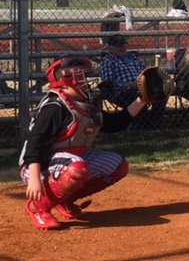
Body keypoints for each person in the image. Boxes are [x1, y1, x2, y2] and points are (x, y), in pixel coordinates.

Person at [19, 54, 150, 230]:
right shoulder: (54, 106)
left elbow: (115, 124)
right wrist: (34, 179)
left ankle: (63, 199)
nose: (87, 83)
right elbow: (36, 144)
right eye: (83, 78)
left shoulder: (84, 105)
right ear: (67, 79)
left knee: (118, 166)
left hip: (68, 164)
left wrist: (142, 100)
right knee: (77, 168)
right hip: (36, 165)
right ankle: (38, 207)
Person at [99, 34, 166, 130]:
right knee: (138, 93)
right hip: (122, 92)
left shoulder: (133, 58)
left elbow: (146, 73)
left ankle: (153, 126)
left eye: (123, 44)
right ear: (110, 47)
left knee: (162, 92)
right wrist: (133, 85)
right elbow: (109, 83)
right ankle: (142, 128)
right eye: (118, 45)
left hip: (142, 87)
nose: (122, 47)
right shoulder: (108, 61)